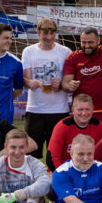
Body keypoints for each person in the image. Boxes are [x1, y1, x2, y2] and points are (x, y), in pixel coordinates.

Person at [21, 17, 72, 159]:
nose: (49, 37)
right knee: (31, 154)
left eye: (52, 32)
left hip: (59, 110)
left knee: (56, 154)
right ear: (38, 32)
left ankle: (55, 180)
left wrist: (61, 84)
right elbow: (26, 79)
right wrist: (30, 83)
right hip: (35, 110)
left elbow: (69, 79)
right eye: (45, 32)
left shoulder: (65, 51)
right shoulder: (28, 51)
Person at [62, 27, 102, 129]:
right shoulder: (73, 57)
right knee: (82, 143)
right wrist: (70, 86)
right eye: (84, 42)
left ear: (98, 41)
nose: (87, 46)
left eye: (90, 42)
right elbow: (65, 84)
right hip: (82, 112)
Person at [46, 94, 102, 171]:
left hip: (91, 170)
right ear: (73, 110)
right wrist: (62, 174)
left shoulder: (99, 126)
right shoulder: (62, 126)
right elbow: (52, 157)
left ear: (92, 109)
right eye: (80, 110)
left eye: (87, 109)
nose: (84, 113)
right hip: (66, 170)